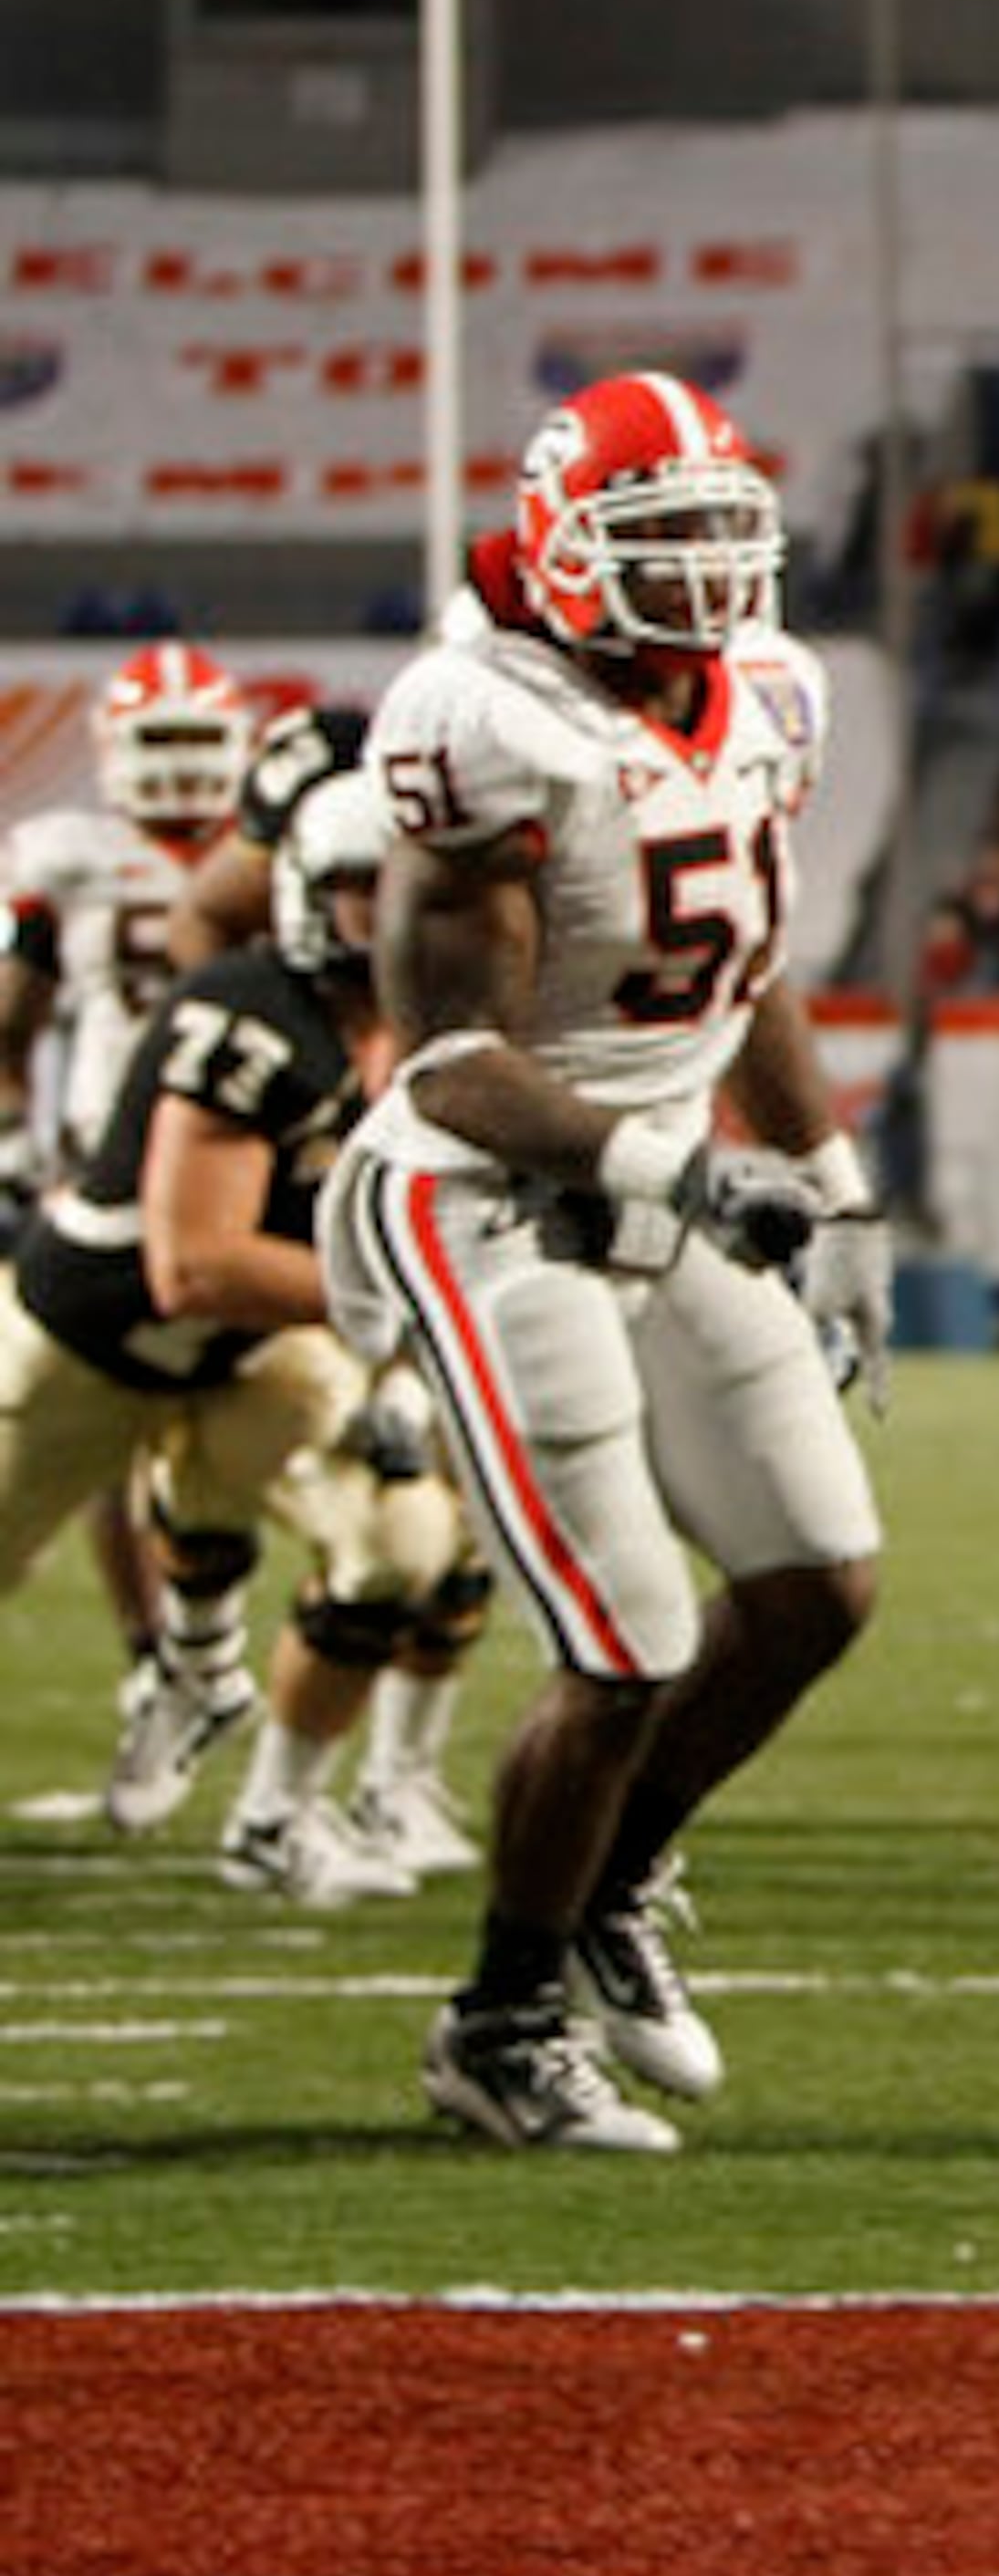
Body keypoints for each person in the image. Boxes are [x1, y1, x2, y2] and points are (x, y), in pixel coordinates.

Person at [318, 369, 891, 2154]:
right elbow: (451, 1065)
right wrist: (684, 1170)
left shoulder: (768, 693)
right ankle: (497, 2024)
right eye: (663, 544)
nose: (707, 579)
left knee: (817, 1585)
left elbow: (748, 958)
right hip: (483, 1202)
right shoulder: (479, 718)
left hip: (666, 1186)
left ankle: (615, 1878)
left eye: (726, 536)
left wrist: (833, 1176)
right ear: (563, 551)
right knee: (628, 1642)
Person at [6, 761, 474, 1906]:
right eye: (375, 888)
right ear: (317, 894)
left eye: (422, 887)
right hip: (89, 1342)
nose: (404, 914)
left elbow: (432, 1240)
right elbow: (195, 1262)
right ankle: (198, 1659)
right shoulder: (247, 1013)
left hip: (258, 1346)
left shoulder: (443, 1040)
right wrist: (406, 1304)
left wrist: (406, 1374)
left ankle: (274, 1812)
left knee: (406, 1542)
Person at [2, 640, 256, 1686]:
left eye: (203, 741)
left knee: (230, 1421)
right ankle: (157, 1647)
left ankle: (203, 1634)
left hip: (240, 1161)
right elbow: (14, 1021)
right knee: (101, 1419)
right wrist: (20, 1138)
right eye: (165, 742)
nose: (184, 767)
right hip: (107, 1161)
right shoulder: (70, 857)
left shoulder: (267, 855)